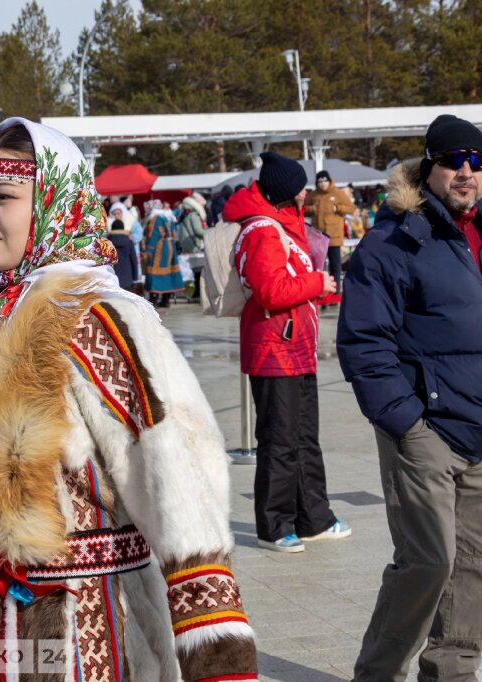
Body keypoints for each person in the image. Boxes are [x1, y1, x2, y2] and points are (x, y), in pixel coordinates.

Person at [0, 118, 257, 680]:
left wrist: (214, 647)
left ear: (53, 203)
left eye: (4, 198)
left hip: (89, 626)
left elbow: (175, 471)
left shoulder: (99, 318)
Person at [338, 114, 482, 681]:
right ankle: (379, 674)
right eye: (453, 161)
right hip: (424, 431)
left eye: (476, 161)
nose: (465, 172)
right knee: (429, 561)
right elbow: (363, 340)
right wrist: (406, 419)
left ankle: (452, 672)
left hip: (478, 425)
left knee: (472, 565)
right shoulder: (396, 238)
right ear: (430, 167)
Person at [224, 151, 348, 554]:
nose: (306, 191)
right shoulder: (262, 230)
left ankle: (314, 517)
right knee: (279, 440)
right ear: (286, 191)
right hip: (274, 349)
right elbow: (271, 291)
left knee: (304, 437)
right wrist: (317, 281)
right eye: (300, 185)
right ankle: (274, 525)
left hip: (295, 347)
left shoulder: (282, 225)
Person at [305, 170, 355, 297]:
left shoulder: (337, 193)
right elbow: (304, 208)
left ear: (329, 181)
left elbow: (351, 208)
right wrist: (312, 209)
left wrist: (338, 208)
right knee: (318, 265)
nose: (322, 184)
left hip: (333, 236)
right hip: (318, 236)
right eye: (319, 181)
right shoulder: (314, 194)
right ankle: (320, 289)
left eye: (324, 181)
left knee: (335, 265)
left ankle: (335, 291)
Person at [141, 199, 185, 307]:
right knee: (168, 273)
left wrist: (149, 251)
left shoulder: (155, 218)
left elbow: (154, 235)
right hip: (170, 246)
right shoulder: (167, 217)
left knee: (155, 272)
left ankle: (154, 299)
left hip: (159, 248)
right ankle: (166, 299)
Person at [178, 193, 208, 300]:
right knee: (198, 270)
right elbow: (198, 231)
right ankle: (198, 293)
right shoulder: (194, 216)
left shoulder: (185, 216)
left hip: (187, 246)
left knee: (193, 271)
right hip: (195, 246)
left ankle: (194, 293)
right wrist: (209, 232)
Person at [107, 218, 138, 291]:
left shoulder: (107, 243)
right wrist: (135, 277)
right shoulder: (129, 242)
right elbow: (133, 260)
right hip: (127, 278)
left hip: (112, 278)